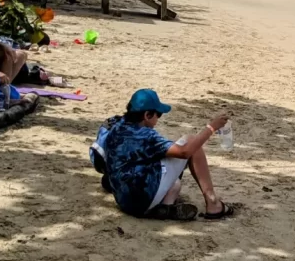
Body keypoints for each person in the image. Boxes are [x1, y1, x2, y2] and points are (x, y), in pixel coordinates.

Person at [97, 89, 234, 221]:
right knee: (192, 142)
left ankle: (165, 206)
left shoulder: (116, 125)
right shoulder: (145, 135)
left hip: (123, 200)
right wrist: (211, 128)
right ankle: (213, 203)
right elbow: (184, 151)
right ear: (147, 115)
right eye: (158, 115)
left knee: (174, 181)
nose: (158, 119)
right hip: (142, 198)